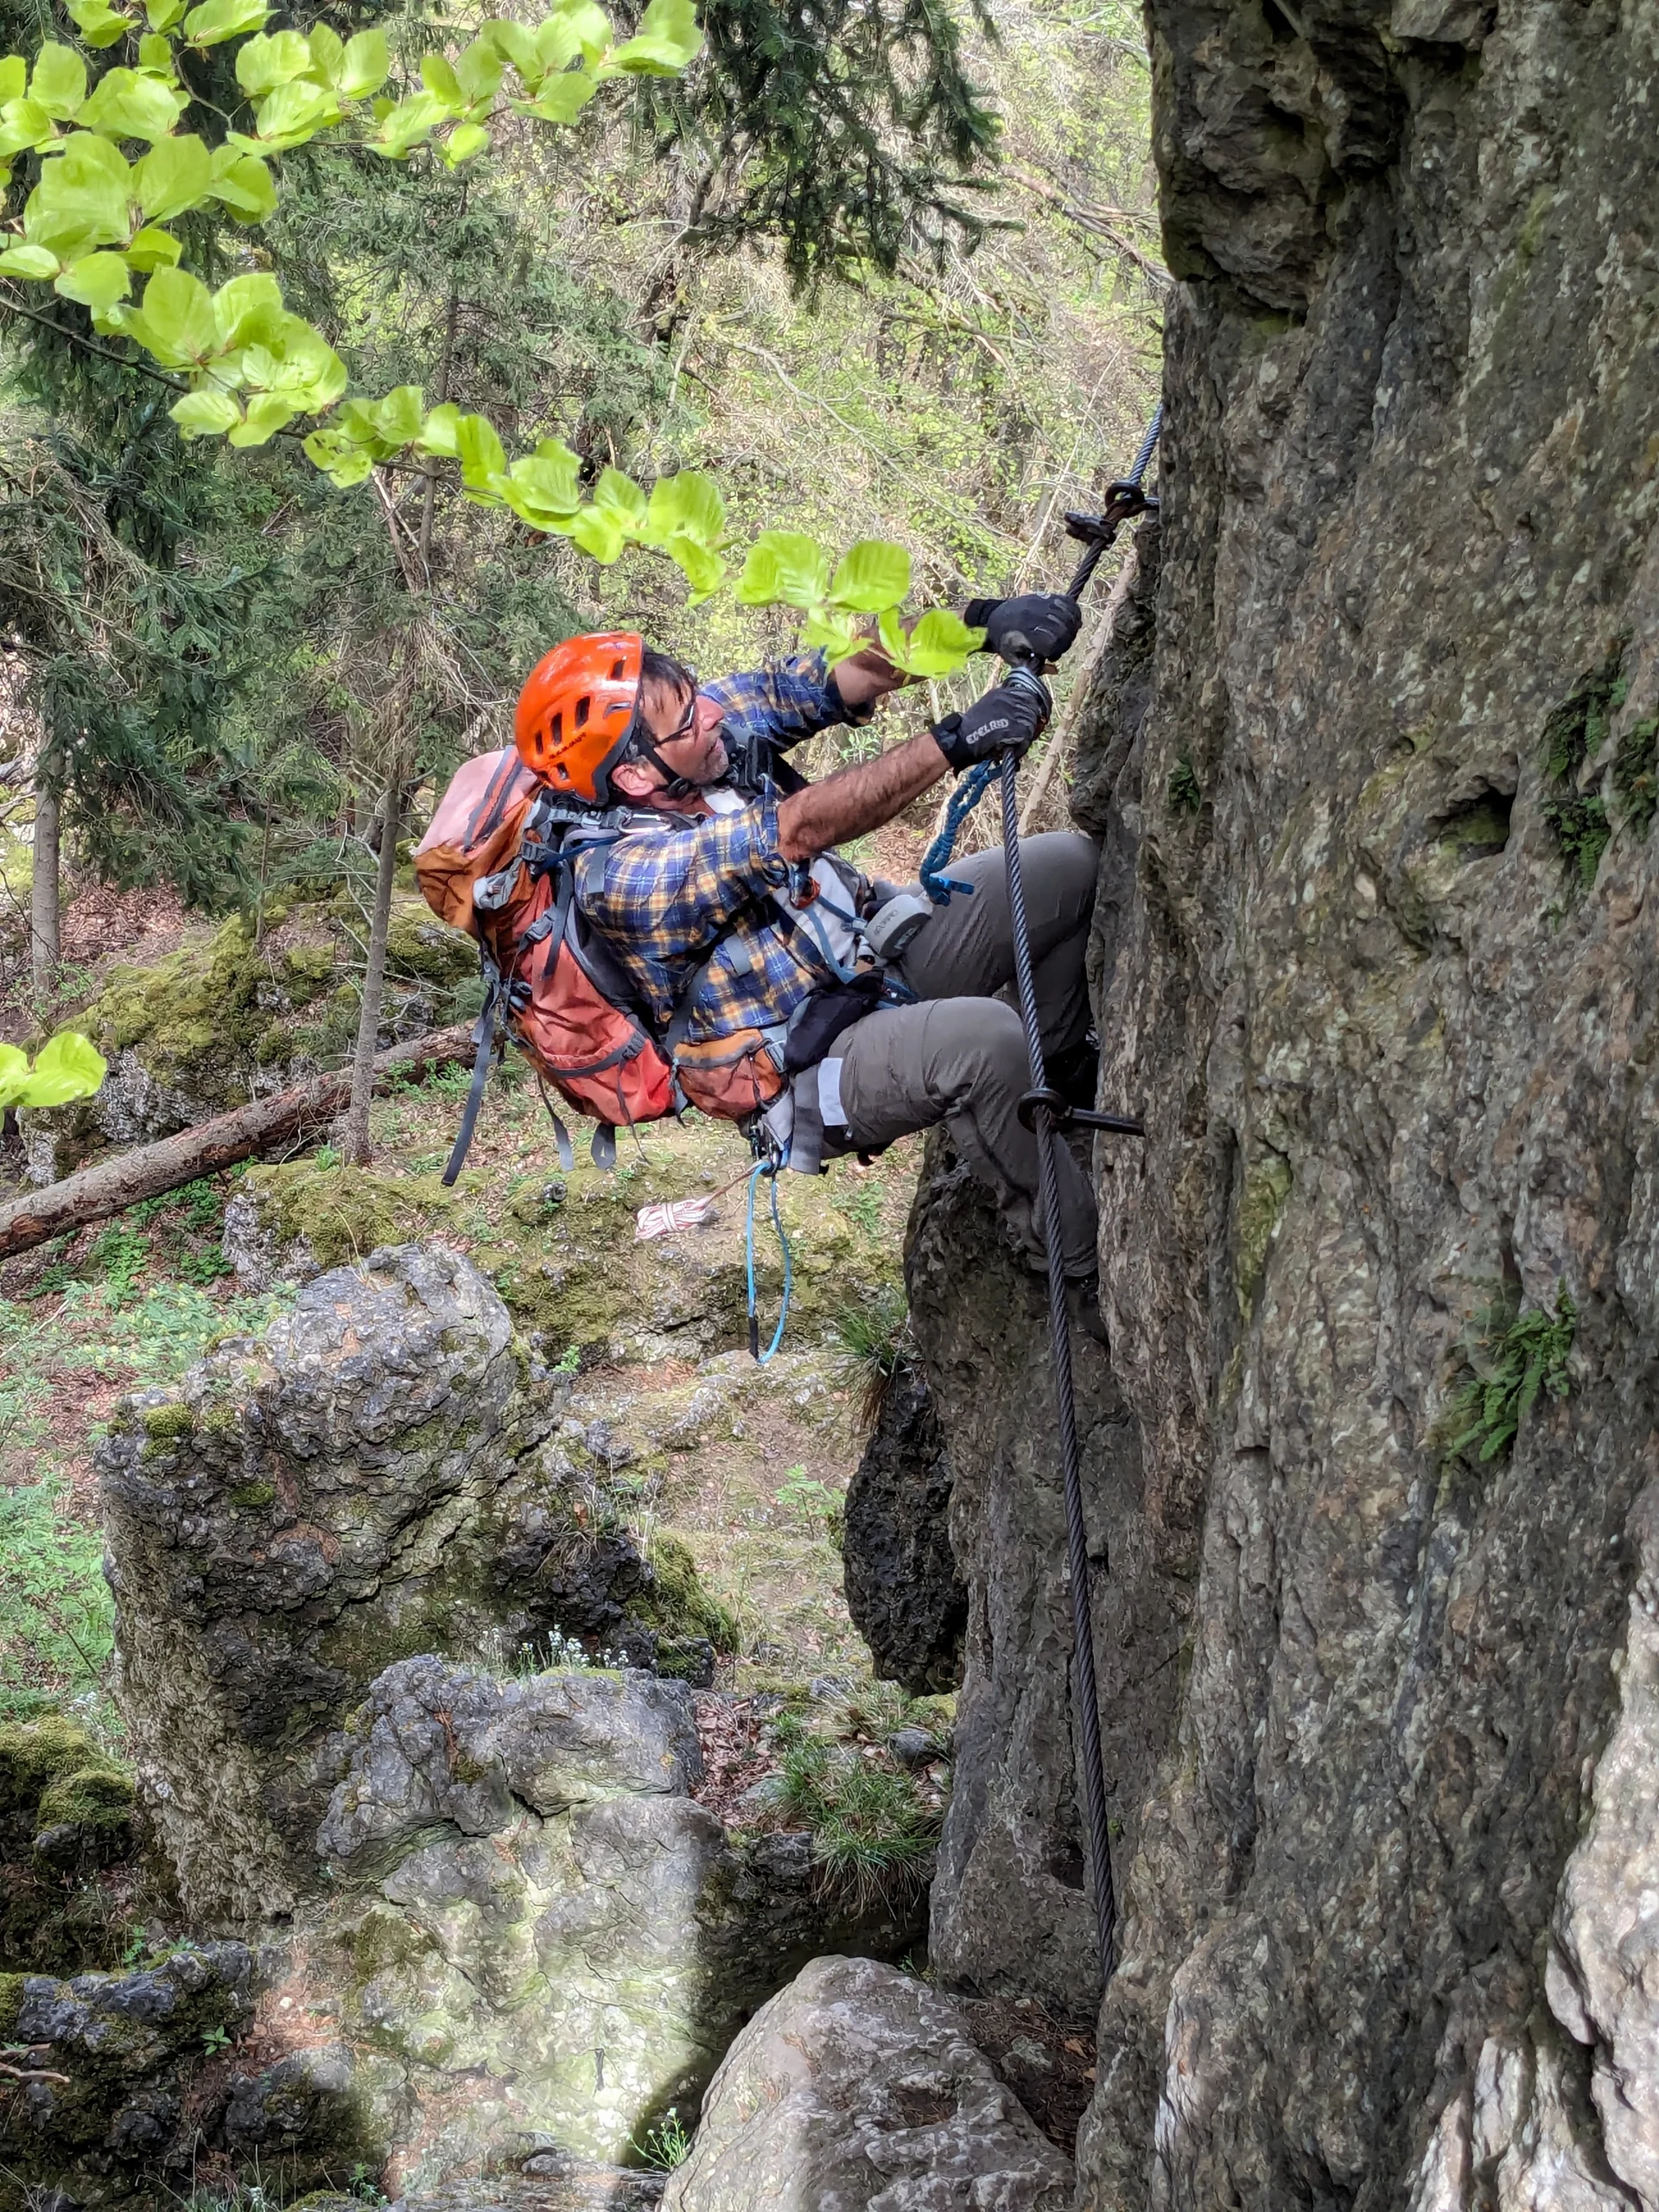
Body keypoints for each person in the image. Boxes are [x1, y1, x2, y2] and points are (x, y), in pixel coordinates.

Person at [513, 594, 1102, 1281]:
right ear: (635, 775)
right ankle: (1073, 1264)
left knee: (1069, 869)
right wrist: (955, 742)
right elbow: (794, 829)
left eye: (696, 695)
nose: (711, 713)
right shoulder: (621, 879)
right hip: (809, 1064)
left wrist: (978, 623)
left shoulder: (697, 740)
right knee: (986, 1040)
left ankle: (1051, 1076)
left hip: (871, 956)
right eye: (688, 717)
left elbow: (839, 672)